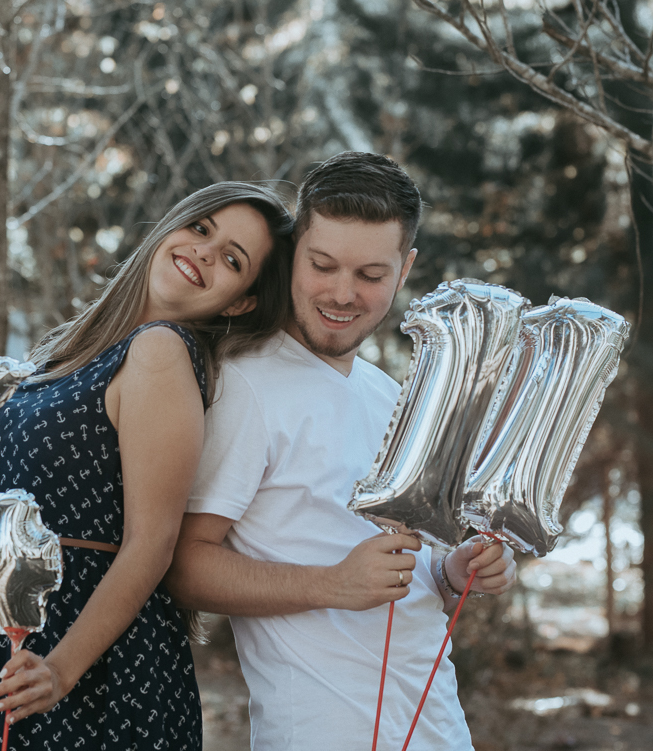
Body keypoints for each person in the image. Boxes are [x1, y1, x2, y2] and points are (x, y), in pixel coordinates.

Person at [0, 181, 295, 750]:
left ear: (240, 301)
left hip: (99, 670)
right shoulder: (58, 354)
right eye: (202, 228)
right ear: (172, 228)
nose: (206, 252)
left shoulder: (160, 351)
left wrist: (62, 668)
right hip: (10, 653)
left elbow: (152, 543)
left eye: (233, 260)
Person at [165, 152, 518, 751]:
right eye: (322, 265)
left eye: (371, 276)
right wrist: (332, 584)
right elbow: (185, 567)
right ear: (293, 251)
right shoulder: (247, 385)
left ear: (404, 270)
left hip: (439, 728)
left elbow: (404, 573)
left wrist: (455, 570)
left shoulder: (390, 396)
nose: (342, 293)